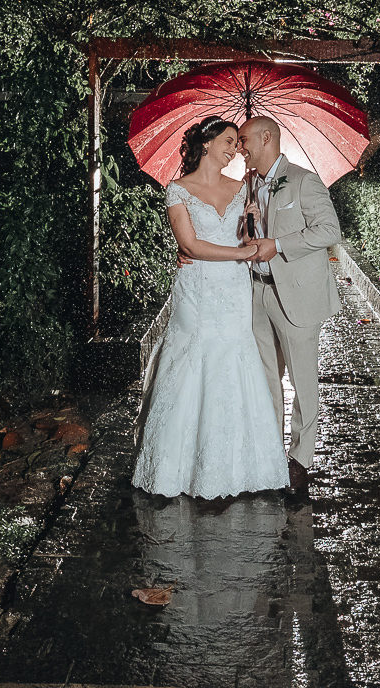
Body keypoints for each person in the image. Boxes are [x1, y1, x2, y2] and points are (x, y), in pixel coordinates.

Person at [132, 116, 290, 499]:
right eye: (230, 141)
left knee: (235, 363)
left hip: (235, 293)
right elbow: (189, 246)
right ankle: (178, 468)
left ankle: (240, 467)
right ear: (207, 143)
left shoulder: (243, 189)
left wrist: (253, 227)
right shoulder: (178, 191)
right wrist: (241, 253)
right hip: (196, 294)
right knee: (192, 361)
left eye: (238, 143)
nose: (236, 149)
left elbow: (251, 238)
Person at [237, 117, 343, 496]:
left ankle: (300, 460)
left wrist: (278, 244)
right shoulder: (248, 184)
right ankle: (269, 455)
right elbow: (248, 238)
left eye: (245, 139)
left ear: (267, 138)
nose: (239, 147)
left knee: (302, 381)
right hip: (258, 293)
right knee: (265, 380)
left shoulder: (303, 180)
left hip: (297, 294)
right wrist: (247, 226)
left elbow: (330, 230)